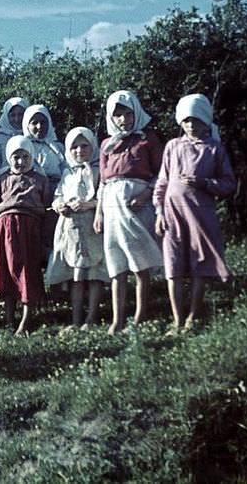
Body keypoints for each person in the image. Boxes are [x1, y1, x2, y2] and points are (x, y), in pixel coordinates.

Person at [154, 94, 236, 331]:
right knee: (173, 264)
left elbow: (229, 183)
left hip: (201, 215)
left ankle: (192, 315)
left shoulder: (214, 149)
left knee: (201, 262)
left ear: (206, 121)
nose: (191, 125)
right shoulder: (172, 146)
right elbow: (162, 182)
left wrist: (205, 183)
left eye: (197, 120)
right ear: (181, 122)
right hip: (172, 214)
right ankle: (177, 319)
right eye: (187, 120)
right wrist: (159, 212)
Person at [93, 91, 163, 334]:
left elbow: (160, 174)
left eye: (128, 113)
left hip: (136, 201)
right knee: (117, 264)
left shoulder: (148, 139)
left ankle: (139, 317)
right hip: (112, 203)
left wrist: (145, 196)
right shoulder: (106, 144)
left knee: (139, 262)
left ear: (136, 111)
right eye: (118, 115)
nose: (124, 119)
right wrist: (99, 213)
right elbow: (102, 182)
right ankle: (117, 319)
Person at [46, 127, 110, 331]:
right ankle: (75, 319)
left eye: (84, 146)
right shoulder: (68, 172)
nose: (79, 151)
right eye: (74, 147)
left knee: (94, 274)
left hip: (93, 226)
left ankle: (91, 317)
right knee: (76, 275)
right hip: (72, 228)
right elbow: (58, 195)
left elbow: (105, 195)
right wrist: (59, 205)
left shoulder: (100, 170)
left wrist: (89, 204)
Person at [0, 135, 51, 336]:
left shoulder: (39, 180)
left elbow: (48, 212)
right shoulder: (3, 180)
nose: (21, 162)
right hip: (5, 231)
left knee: (27, 272)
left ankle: (25, 321)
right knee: (7, 273)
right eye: (16, 157)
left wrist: (45, 240)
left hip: (29, 232)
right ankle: (8, 320)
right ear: (9, 157)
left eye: (25, 156)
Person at [21, 103, 67, 307]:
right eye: (34, 123)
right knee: (33, 245)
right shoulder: (22, 148)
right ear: (27, 125)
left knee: (55, 244)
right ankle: (35, 294)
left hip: (55, 200)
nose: (39, 127)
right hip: (32, 200)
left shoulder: (57, 148)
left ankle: (58, 289)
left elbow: (68, 172)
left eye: (43, 122)